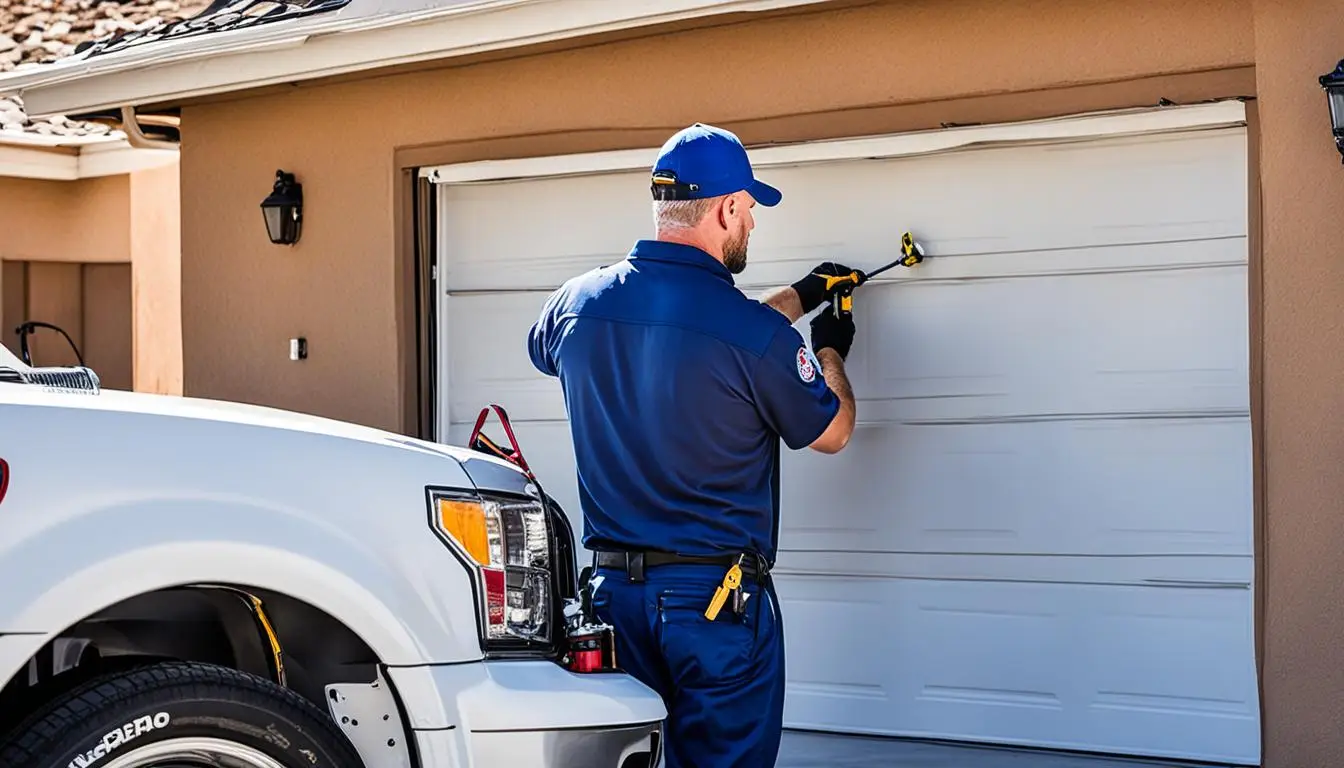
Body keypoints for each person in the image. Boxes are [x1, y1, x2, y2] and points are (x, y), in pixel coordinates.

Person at [526, 122, 859, 768]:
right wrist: (830, 349)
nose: (753, 227)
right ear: (726, 208)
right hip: (716, 613)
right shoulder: (757, 338)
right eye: (750, 211)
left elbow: (681, 334)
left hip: (613, 604)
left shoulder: (578, 306)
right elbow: (833, 431)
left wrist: (800, 295)